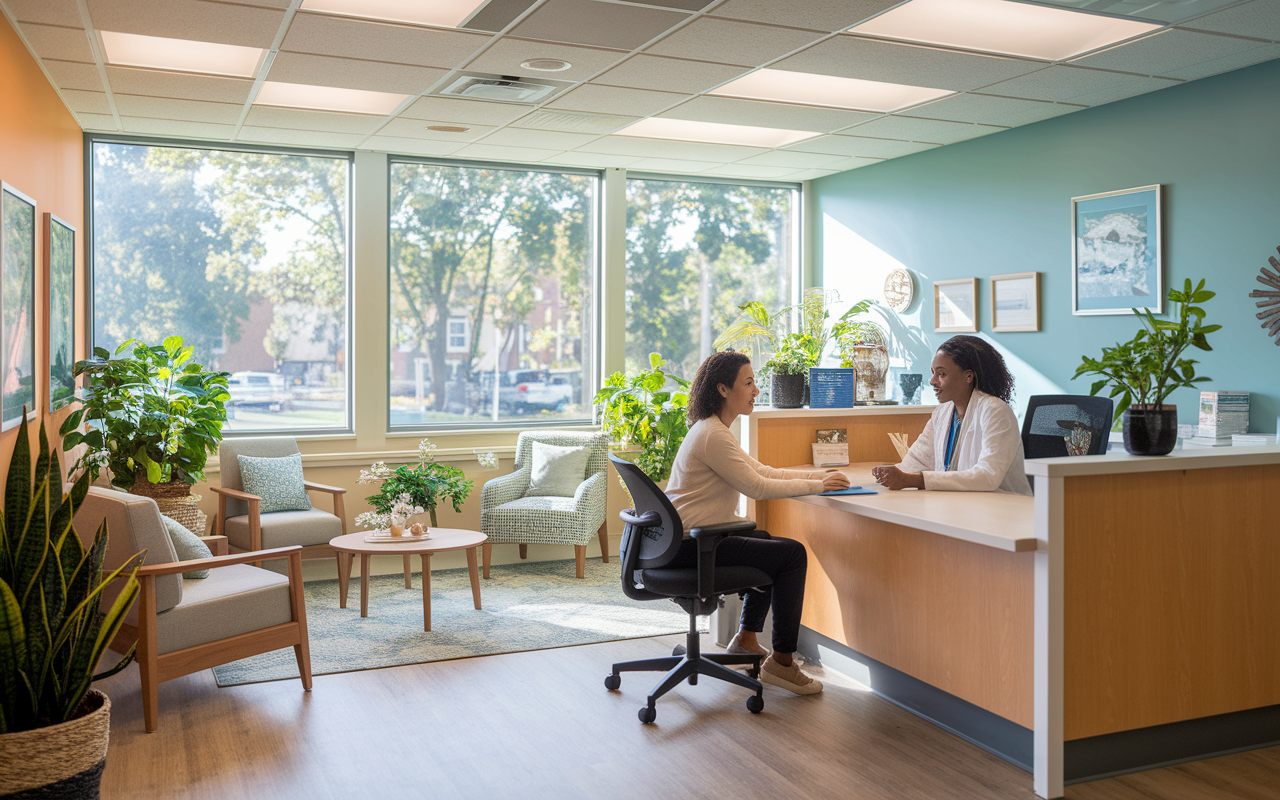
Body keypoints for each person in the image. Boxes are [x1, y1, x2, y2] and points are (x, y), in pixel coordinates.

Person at [665, 351, 851, 695]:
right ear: (723, 389)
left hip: (685, 542)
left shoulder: (713, 429)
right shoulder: (713, 435)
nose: (756, 391)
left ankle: (747, 640)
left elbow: (760, 471)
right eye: (748, 383)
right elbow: (757, 487)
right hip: (693, 547)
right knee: (791, 555)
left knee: (765, 540)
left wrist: (815, 476)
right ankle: (782, 663)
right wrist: (817, 486)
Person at [872, 335, 1032, 495]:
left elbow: (987, 476)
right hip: (960, 504)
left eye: (941, 374)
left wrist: (916, 480)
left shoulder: (995, 411)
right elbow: (917, 461)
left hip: (1004, 508)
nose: (932, 381)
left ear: (968, 376)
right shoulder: (942, 412)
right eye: (933, 373)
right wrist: (888, 474)